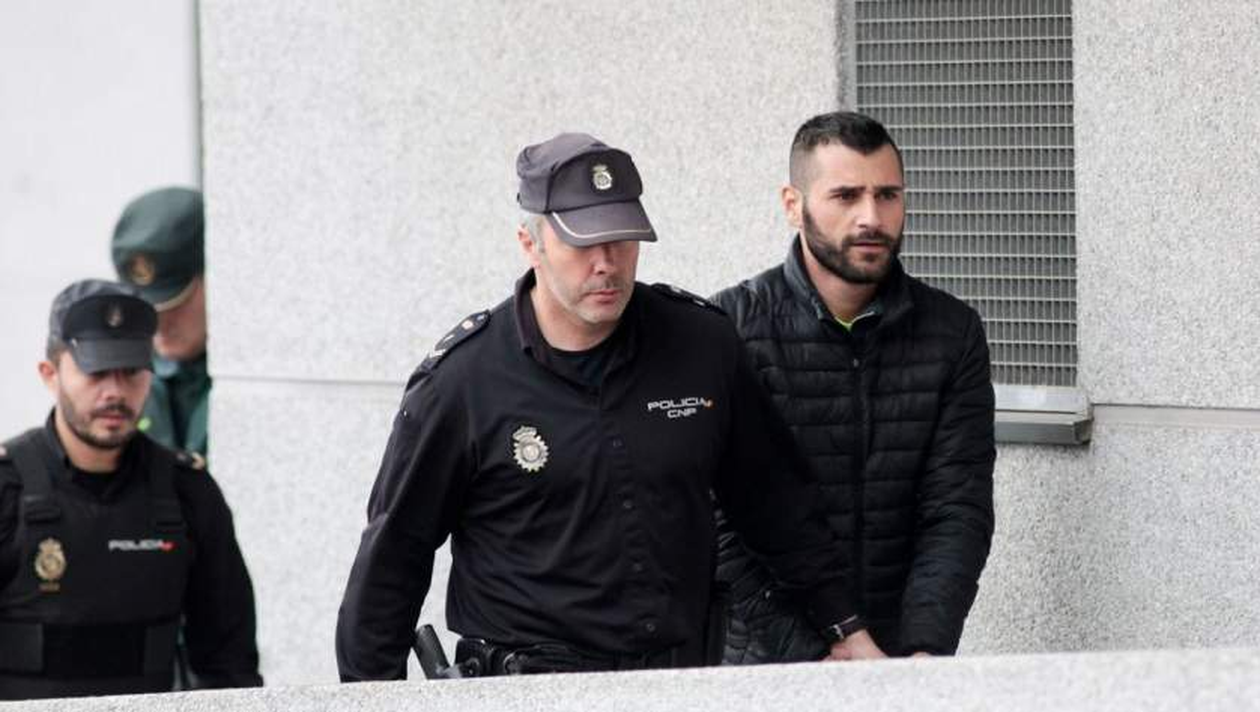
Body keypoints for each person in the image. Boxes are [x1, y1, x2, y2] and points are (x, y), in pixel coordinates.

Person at [336, 133, 866, 680]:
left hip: (677, 683)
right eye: (583, 244)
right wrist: (371, 697)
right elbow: (392, 561)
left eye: (621, 240)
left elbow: (775, 504)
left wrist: (845, 628)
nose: (607, 263)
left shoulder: (702, 345)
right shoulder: (463, 382)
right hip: (530, 691)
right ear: (530, 243)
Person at [712, 111, 996, 663]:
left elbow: (957, 508)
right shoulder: (730, 327)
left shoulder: (952, 332)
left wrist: (924, 650)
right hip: (767, 666)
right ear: (793, 205)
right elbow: (717, 524)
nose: (872, 217)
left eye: (887, 195)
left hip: (900, 659)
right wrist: (817, 651)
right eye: (845, 196)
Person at [0, 280, 261, 699]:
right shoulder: (7, 488)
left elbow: (229, 664)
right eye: (96, 372)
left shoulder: (187, 491)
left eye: (132, 372)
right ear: (50, 374)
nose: (116, 392)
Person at [112, 187, 210, 458]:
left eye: (175, 304)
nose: (159, 323)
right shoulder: (121, 376)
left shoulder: (254, 375)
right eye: (146, 308)